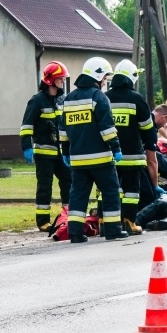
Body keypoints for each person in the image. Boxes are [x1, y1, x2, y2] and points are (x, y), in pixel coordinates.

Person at [59, 57, 125, 243]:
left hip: (78, 160)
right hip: (100, 158)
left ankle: (75, 233)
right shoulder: (98, 97)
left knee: (78, 195)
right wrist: (116, 148)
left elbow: (63, 131)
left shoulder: (69, 98)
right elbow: (107, 128)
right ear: (98, 75)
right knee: (111, 191)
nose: (105, 81)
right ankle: (113, 230)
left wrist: (65, 152)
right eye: (104, 77)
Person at [105, 59, 158, 235]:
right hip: (132, 155)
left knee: (109, 189)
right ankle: (129, 222)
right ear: (132, 78)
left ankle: (104, 223)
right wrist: (151, 145)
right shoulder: (137, 99)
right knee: (131, 191)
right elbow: (148, 128)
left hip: (108, 155)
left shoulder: (104, 97)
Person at [19, 61, 72, 233]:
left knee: (68, 182)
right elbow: (27, 125)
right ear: (50, 80)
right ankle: (43, 221)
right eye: (60, 78)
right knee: (45, 186)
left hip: (61, 152)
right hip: (44, 152)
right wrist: (27, 147)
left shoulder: (63, 100)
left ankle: (69, 215)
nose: (63, 81)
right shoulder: (37, 101)